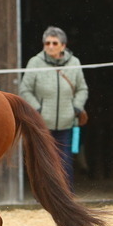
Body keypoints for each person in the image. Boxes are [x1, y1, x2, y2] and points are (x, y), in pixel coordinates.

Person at [20, 26, 88, 190]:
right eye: (47, 43)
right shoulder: (35, 63)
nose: (50, 46)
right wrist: (38, 109)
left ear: (63, 46)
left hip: (67, 123)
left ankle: (66, 196)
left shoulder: (74, 63)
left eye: (54, 43)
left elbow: (82, 88)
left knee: (65, 162)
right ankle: (43, 195)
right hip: (43, 125)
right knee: (43, 163)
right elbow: (25, 89)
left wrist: (76, 107)